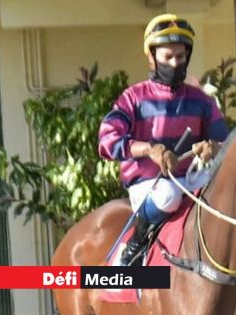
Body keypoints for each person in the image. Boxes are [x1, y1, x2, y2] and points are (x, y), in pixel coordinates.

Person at [98, 13, 228, 266]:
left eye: (180, 57)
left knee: (223, 192)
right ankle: (136, 242)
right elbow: (106, 140)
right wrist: (150, 150)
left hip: (190, 178)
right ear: (151, 57)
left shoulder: (201, 100)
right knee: (168, 196)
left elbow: (227, 143)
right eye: (167, 57)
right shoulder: (132, 98)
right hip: (150, 185)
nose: (175, 63)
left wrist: (213, 147)